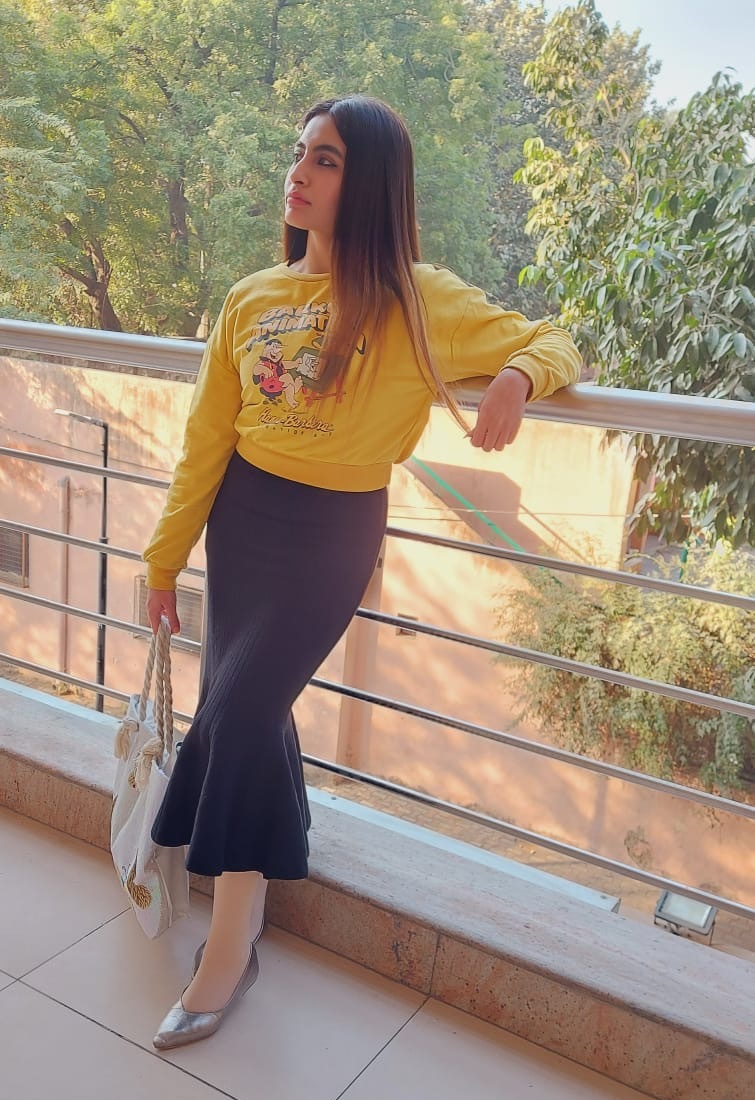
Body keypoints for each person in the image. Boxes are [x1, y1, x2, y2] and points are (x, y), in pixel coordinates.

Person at [143, 95, 581, 1048]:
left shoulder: (415, 297)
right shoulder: (250, 297)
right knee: (242, 703)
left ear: (370, 181)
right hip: (241, 521)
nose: (298, 172)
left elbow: (553, 339)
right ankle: (262, 879)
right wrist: (163, 558)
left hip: (331, 532)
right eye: (299, 152)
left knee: (238, 714)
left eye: (327, 160)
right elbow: (205, 440)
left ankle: (231, 942)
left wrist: (516, 378)